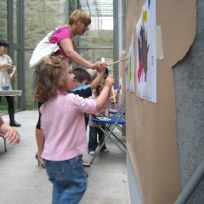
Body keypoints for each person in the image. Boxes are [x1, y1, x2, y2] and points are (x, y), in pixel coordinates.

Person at [33, 56, 114, 204]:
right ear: (58, 80)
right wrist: (107, 86)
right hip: (67, 160)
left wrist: (100, 75)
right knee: (77, 186)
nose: (74, 75)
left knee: (61, 188)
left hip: (51, 160)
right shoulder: (72, 100)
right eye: (70, 73)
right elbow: (97, 106)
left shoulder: (45, 105)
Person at [34, 9, 107, 167]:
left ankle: (65, 154)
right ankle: (41, 154)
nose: (86, 28)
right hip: (47, 80)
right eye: (85, 25)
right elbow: (69, 52)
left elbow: (68, 60)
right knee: (44, 117)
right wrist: (91, 65)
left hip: (55, 81)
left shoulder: (71, 38)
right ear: (78, 22)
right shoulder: (64, 31)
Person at [71, 67, 106, 167]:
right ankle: (75, 164)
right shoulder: (75, 93)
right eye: (86, 83)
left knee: (79, 143)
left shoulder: (74, 93)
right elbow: (93, 86)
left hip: (81, 124)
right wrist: (101, 76)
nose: (87, 86)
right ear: (76, 82)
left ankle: (78, 160)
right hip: (75, 128)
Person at [0, 39, 21, 127]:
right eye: (4, 47)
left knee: (11, 101)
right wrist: (8, 65)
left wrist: (12, 73)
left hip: (6, 82)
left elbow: (14, 66)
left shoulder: (7, 57)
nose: (5, 49)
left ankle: (12, 121)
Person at [88, 83, 111, 155]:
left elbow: (106, 107)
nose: (103, 92)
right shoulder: (92, 97)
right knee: (93, 136)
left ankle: (102, 147)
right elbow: (89, 107)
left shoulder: (106, 98)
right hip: (93, 121)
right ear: (97, 90)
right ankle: (91, 148)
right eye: (101, 90)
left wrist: (106, 114)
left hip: (102, 120)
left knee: (102, 134)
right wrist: (95, 113)